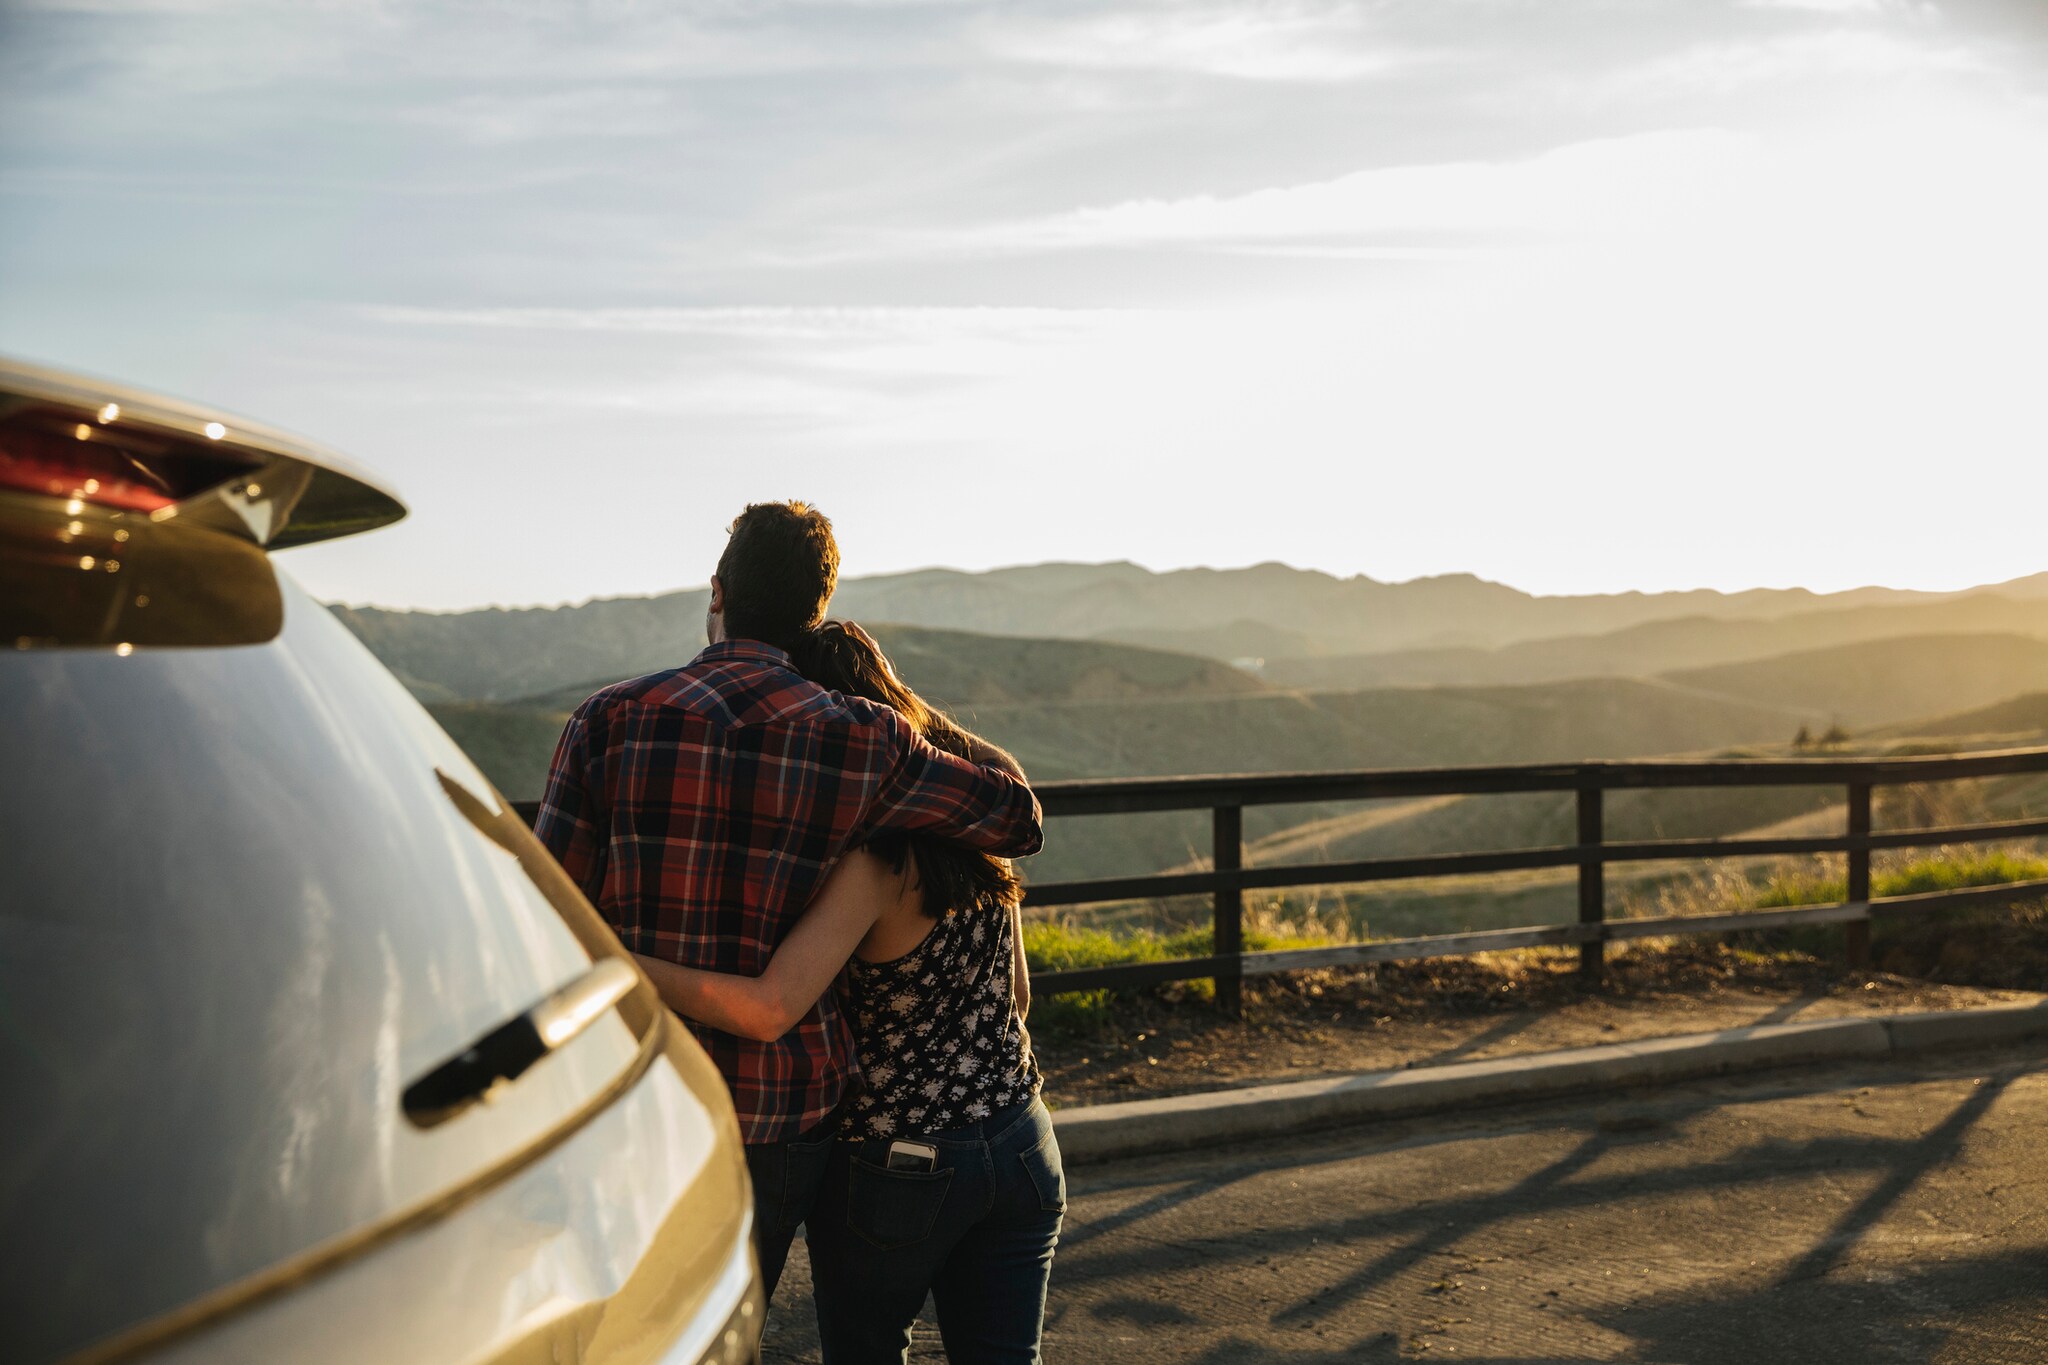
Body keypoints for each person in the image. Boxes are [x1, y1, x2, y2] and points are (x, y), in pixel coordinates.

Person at [534, 502, 1043, 1302]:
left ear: (717, 594)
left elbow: (546, 912)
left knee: (631, 1326)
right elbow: (1016, 816)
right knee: (732, 1323)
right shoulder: (868, 738)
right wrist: (906, 708)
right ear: (816, 613)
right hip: (783, 1111)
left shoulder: (607, 720)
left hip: (636, 1090)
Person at [644, 620, 1063, 1365]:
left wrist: (625, 964)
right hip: (1023, 1136)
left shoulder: (877, 859)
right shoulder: (976, 831)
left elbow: (772, 1006)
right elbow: (1020, 997)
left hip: (902, 1160)